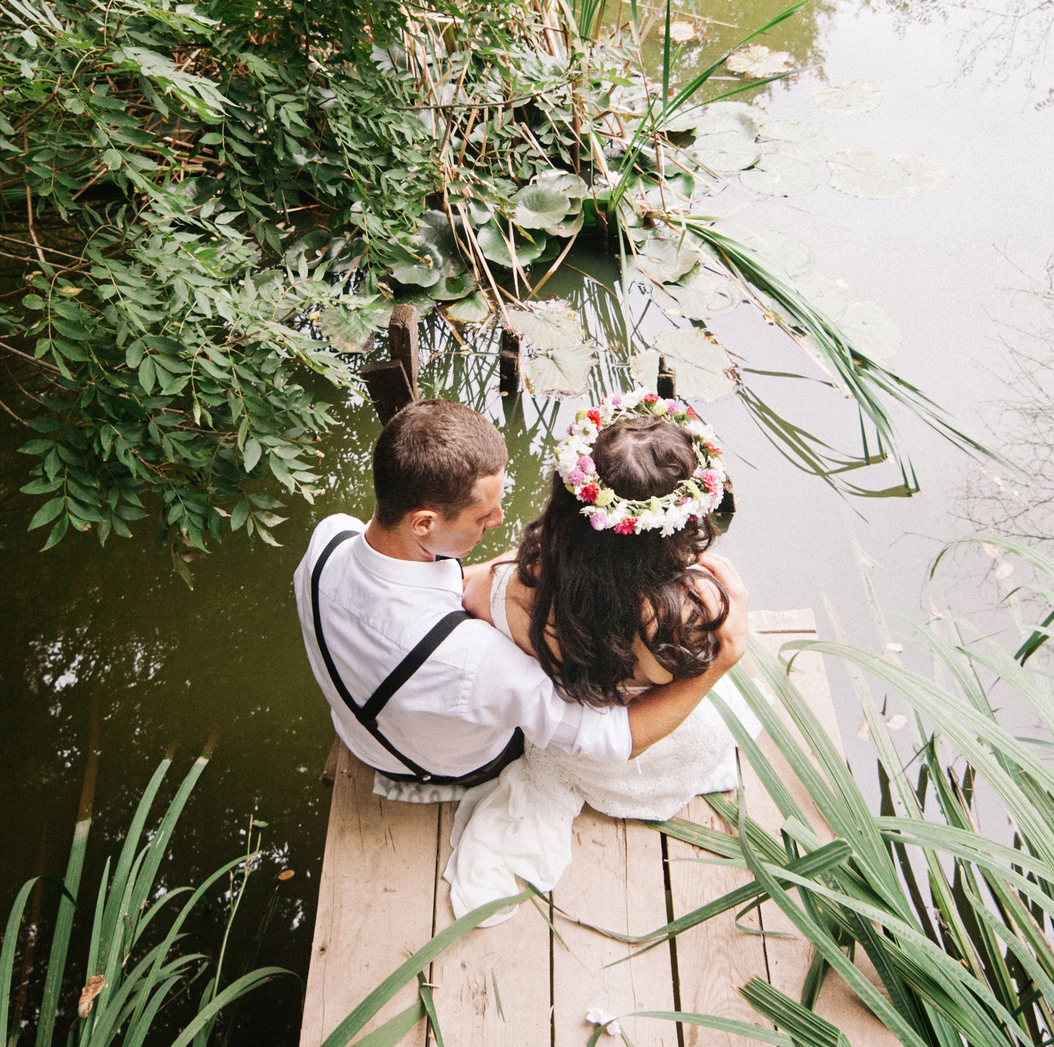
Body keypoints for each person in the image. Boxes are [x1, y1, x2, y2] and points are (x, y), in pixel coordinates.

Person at [295, 398, 749, 806]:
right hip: (435, 764)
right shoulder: (473, 659)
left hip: (359, 731)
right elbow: (609, 740)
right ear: (423, 523)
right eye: (482, 515)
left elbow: (462, 587)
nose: (498, 520)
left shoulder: (329, 537)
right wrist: (723, 661)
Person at [439, 391, 759, 919]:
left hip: (579, 747)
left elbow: (467, 591)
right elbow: (707, 664)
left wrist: (516, 566)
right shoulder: (693, 611)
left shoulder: (516, 592)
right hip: (660, 745)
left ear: (567, 508)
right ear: (676, 530)